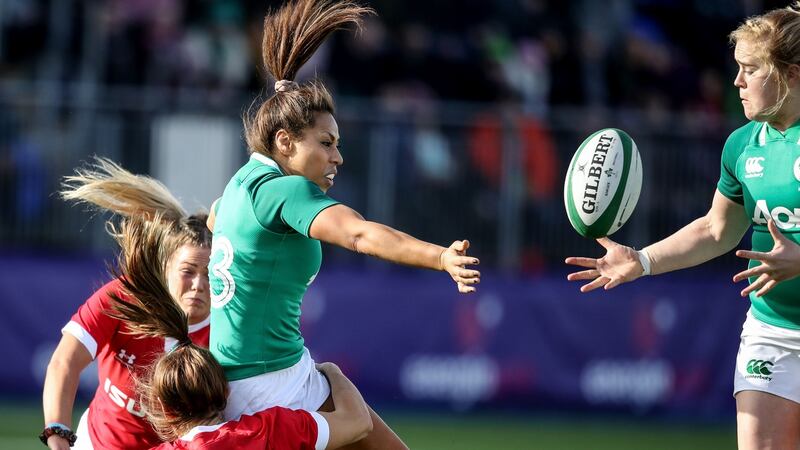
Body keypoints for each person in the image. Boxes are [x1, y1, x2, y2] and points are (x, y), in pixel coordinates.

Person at [207, 0, 480, 448]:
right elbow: (358, 233)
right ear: (285, 141)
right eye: (326, 143)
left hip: (247, 379)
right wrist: (440, 256)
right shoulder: (285, 191)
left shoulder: (241, 184)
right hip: (269, 386)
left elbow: (215, 220)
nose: (337, 156)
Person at [565, 3, 800, 449]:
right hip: (773, 332)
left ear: (791, 74)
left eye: (750, 69)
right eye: (736, 68)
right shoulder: (742, 145)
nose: (737, 82)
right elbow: (715, 230)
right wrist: (642, 260)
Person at [109, 217, 373, 450]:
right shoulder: (267, 430)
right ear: (225, 392)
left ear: (164, 411)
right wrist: (332, 372)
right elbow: (357, 422)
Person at [41, 159, 212, 450]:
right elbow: (64, 362)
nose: (199, 284)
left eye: (210, 274)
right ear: (166, 266)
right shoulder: (126, 297)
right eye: (188, 271)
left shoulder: (232, 326)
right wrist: (58, 435)